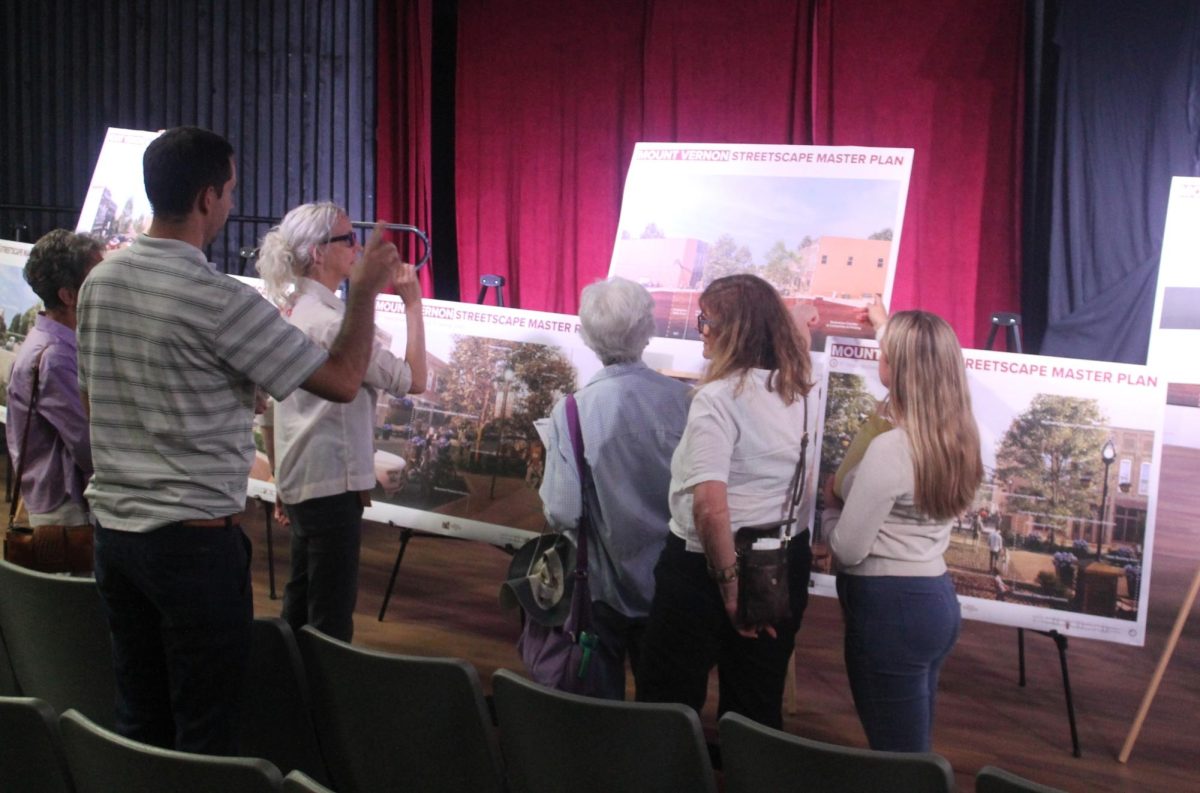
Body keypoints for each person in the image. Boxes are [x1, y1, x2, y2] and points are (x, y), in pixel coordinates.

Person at [76, 126, 402, 755]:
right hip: (192, 548)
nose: (230, 203)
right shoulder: (221, 301)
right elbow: (340, 379)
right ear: (205, 198)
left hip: (114, 537)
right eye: (228, 191)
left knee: (140, 720)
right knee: (208, 729)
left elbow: (99, 399)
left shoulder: (100, 284)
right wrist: (363, 294)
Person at [636, 274, 817, 729]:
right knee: (756, 705)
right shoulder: (797, 388)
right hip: (778, 560)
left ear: (731, 331)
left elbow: (711, 508)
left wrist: (732, 592)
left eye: (706, 320)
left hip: (707, 569)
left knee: (667, 704)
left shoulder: (718, 398)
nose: (700, 328)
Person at [255, 201, 427, 643]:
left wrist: (278, 477)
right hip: (329, 484)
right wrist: (412, 305)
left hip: (301, 479)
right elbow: (415, 379)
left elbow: (275, 410)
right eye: (346, 240)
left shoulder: (289, 312)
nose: (355, 248)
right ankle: (318, 705)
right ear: (317, 253)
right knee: (329, 616)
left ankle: (291, 696)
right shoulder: (332, 324)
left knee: (300, 599)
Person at [823, 310, 983, 752]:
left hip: (889, 610)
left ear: (897, 366)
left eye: (884, 353)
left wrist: (830, 507)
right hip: (935, 599)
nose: (879, 359)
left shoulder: (892, 449)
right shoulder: (959, 437)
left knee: (899, 760)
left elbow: (848, 550)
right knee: (911, 749)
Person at [539, 277, 690, 699]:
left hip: (601, 586)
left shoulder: (572, 411)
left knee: (599, 711)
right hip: (670, 582)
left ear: (587, 336)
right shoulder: (686, 401)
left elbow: (563, 512)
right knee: (663, 709)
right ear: (648, 330)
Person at [6, 230, 103, 568]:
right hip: (65, 511)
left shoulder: (48, 343)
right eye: (97, 278)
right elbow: (88, 444)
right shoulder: (56, 357)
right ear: (68, 295)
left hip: (56, 504)